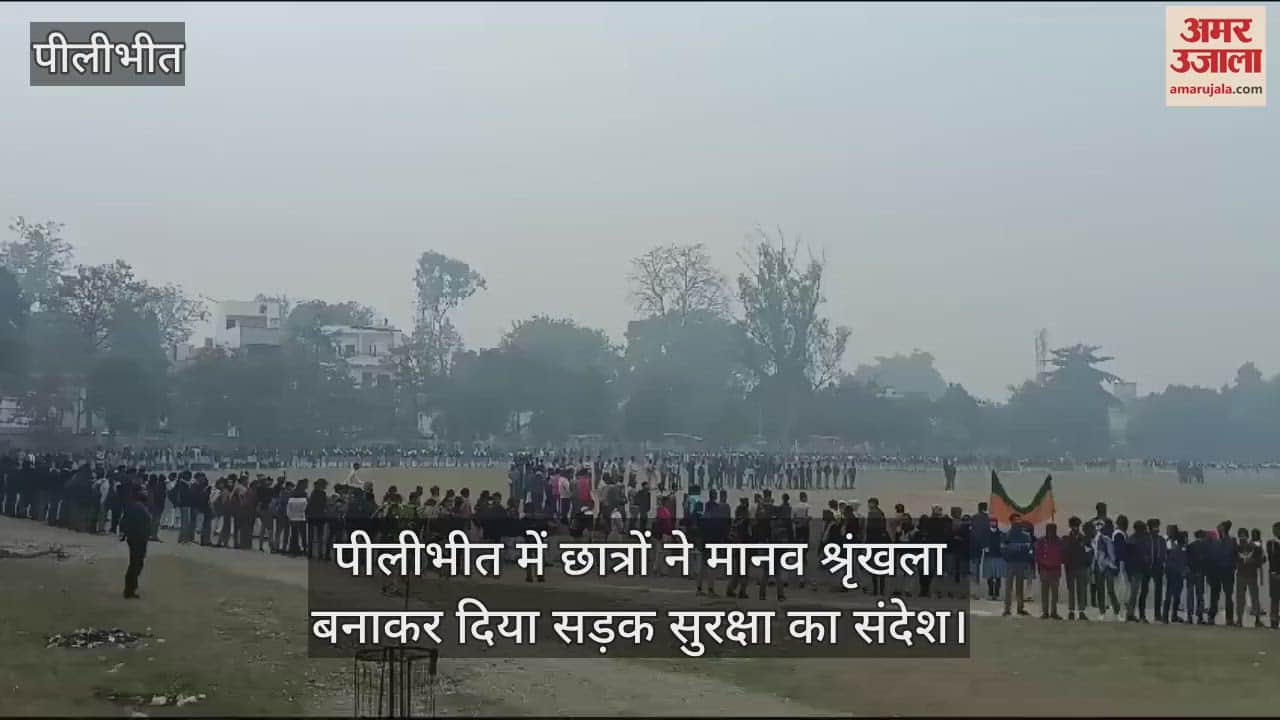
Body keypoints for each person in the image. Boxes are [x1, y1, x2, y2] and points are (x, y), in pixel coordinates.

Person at [120, 484, 153, 599]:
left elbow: (124, 521)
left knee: (137, 563)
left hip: (137, 538)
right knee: (136, 564)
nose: (146, 492)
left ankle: (131, 587)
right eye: (144, 490)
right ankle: (129, 589)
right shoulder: (137, 507)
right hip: (138, 539)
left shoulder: (135, 505)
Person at [1002, 513, 1034, 616]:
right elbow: (1003, 549)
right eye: (1016, 520)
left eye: (1019, 520)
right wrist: (1008, 557)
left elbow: (1029, 549)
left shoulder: (1025, 535)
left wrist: (1025, 560)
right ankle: (1007, 609)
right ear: (1011, 521)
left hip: (1021, 563)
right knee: (1008, 587)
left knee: (1019, 587)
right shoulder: (1007, 535)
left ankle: (1020, 608)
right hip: (1011, 563)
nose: (1018, 522)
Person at [1234, 527, 1264, 628]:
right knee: (1242, 598)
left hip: (1250, 575)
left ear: (1247, 536)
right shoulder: (1238, 548)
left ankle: (1256, 620)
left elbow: (1261, 559)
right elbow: (1235, 560)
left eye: (1243, 535)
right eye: (1240, 535)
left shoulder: (1253, 546)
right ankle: (1240, 620)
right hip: (1243, 575)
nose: (1242, 537)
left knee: (1253, 598)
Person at [1063, 516, 1092, 621]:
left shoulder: (1084, 539)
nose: (1075, 528)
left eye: (1077, 526)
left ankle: (1081, 611)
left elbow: (1089, 552)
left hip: (1081, 567)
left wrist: (1087, 564)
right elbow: (1064, 553)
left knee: (1081, 590)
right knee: (1071, 590)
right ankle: (1071, 611)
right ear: (1070, 526)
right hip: (1070, 567)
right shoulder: (1066, 539)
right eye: (1073, 526)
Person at [1035, 522, 1064, 619]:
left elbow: (1062, 555)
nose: (1051, 532)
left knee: (1055, 594)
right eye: (1049, 530)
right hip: (1044, 570)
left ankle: (1054, 612)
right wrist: (1044, 563)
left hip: (1055, 570)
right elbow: (1038, 555)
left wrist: (1057, 564)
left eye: (1053, 530)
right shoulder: (1041, 541)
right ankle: (1045, 612)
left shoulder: (1059, 541)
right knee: (1045, 593)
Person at [1162, 530, 1188, 623]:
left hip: (1175, 575)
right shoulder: (1179, 550)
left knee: (1174, 596)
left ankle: (1169, 616)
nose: (1187, 540)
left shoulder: (1178, 549)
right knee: (1172, 596)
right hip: (1175, 576)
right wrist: (1181, 571)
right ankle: (1168, 616)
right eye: (1186, 538)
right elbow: (1173, 564)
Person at [1267, 522, 1280, 630]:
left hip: (1275, 574)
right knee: (1274, 599)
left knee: (1275, 599)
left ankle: (1274, 620)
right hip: (1274, 574)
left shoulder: (1272, 544)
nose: (1274, 532)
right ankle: (1274, 621)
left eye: (1276, 530)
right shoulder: (1270, 544)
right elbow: (1271, 558)